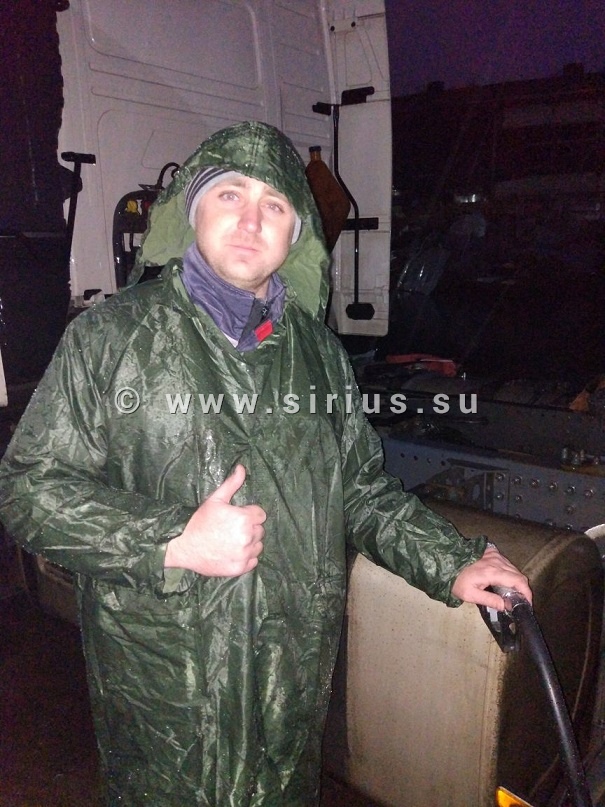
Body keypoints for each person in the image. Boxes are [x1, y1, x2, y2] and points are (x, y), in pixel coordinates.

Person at [0, 121, 530, 806]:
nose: (251, 220)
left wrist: (452, 561)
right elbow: (27, 489)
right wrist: (170, 541)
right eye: (229, 195)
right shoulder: (109, 337)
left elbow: (359, 490)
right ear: (193, 210)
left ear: (294, 235)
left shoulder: (321, 357)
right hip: (162, 689)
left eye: (274, 205)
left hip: (289, 683)